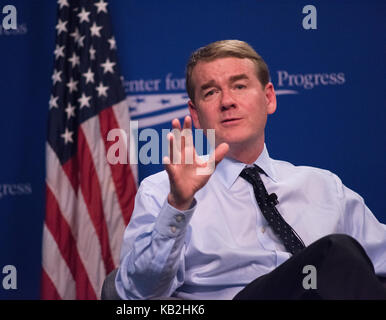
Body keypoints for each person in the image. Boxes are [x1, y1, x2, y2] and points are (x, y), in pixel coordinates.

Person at [115, 40, 386, 299]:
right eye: (210, 92)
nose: (227, 101)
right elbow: (137, 295)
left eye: (240, 86)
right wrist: (178, 205)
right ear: (196, 115)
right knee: (334, 252)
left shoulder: (325, 187)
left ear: (268, 98)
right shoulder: (162, 192)